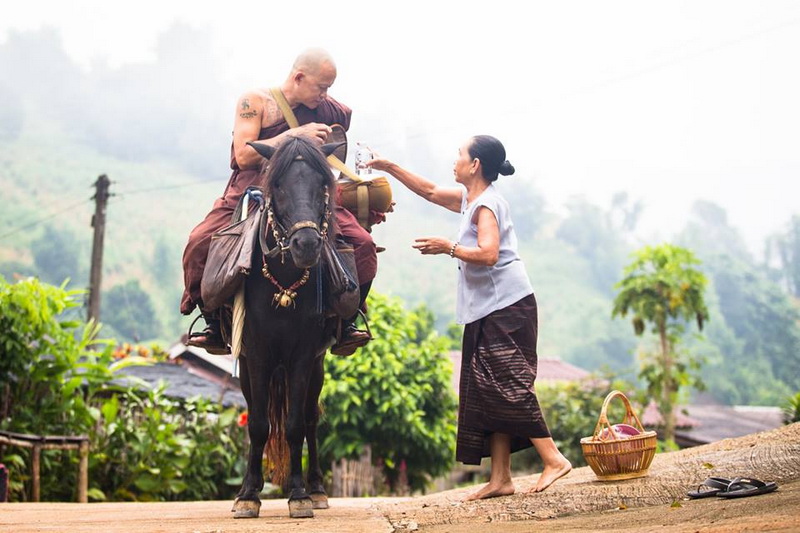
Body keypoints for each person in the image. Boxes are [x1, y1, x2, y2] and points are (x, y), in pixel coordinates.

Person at [367, 135, 572, 500]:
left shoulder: (487, 205)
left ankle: (553, 458)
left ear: (475, 164)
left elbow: (490, 253)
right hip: (487, 308)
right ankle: (501, 478)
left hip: (508, 306)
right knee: (484, 388)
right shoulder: (469, 199)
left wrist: (449, 247)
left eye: (460, 155)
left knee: (507, 383)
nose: (455, 160)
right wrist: (388, 167)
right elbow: (429, 191)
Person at [180, 48, 375, 355]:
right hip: (252, 190)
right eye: (321, 87)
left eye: (329, 88)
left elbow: (340, 136)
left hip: (305, 196)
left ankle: (347, 321)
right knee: (198, 243)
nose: (325, 95)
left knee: (362, 244)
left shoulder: (327, 108)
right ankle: (213, 322)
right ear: (298, 77)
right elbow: (244, 155)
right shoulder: (254, 101)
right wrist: (295, 136)